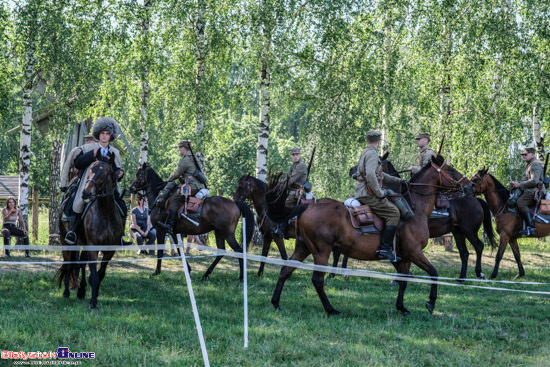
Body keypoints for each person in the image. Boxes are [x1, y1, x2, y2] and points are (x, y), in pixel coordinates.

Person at [62, 117, 129, 245]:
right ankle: (73, 233)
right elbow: (78, 163)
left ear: (111, 136)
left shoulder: (115, 152)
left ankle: (121, 235)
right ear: (98, 134)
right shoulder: (87, 148)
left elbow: (116, 171)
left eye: (107, 134)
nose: (104, 136)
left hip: (107, 189)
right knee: (77, 205)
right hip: (89, 185)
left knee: (122, 207)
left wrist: (120, 174)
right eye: (102, 133)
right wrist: (92, 154)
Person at [355, 130, 407, 262]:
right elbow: (371, 175)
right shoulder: (372, 154)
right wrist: (379, 192)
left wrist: (399, 181)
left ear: (367, 140)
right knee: (394, 213)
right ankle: (384, 249)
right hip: (369, 195)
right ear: (378, 142)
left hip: (362, 192)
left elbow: (380, 176)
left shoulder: (365, 153)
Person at [158, 140, 208, 234]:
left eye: (180, 149)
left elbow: (177, 173)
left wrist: (167, 180)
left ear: (183, 149)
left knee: (174, 199)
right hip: (200, 185)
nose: (179, 151)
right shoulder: (194, 158)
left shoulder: (185, 160)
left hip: (192, 186)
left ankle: (170, 225)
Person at [510, 147, 544, 236]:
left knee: (520, 202)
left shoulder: (534, 165)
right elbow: (526, 180)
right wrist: (517, 183)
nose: (524, 156)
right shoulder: (530, 164)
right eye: (523, 154)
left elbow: (534, 181)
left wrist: (520, 185)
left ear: (532, 155)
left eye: (526, 154)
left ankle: (531, 227)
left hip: (534, 190)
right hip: (529, 189)